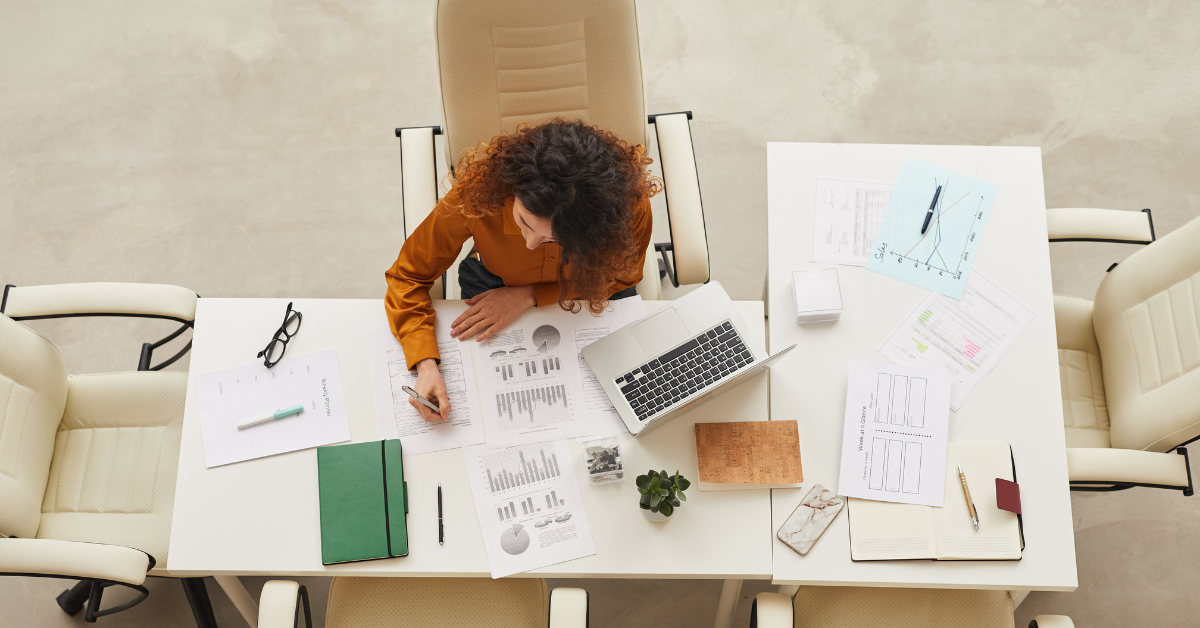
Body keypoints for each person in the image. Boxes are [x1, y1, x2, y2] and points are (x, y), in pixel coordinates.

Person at [385, 119, 661, 422]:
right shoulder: (477, 192)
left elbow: (622, 276)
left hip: (586, 283)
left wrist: (529, 295)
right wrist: (425, 365)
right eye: (524, 223)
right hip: (492, 282)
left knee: (624, 404)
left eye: (555, 241)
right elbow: (408, 276)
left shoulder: (626, 208)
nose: (530, 244)